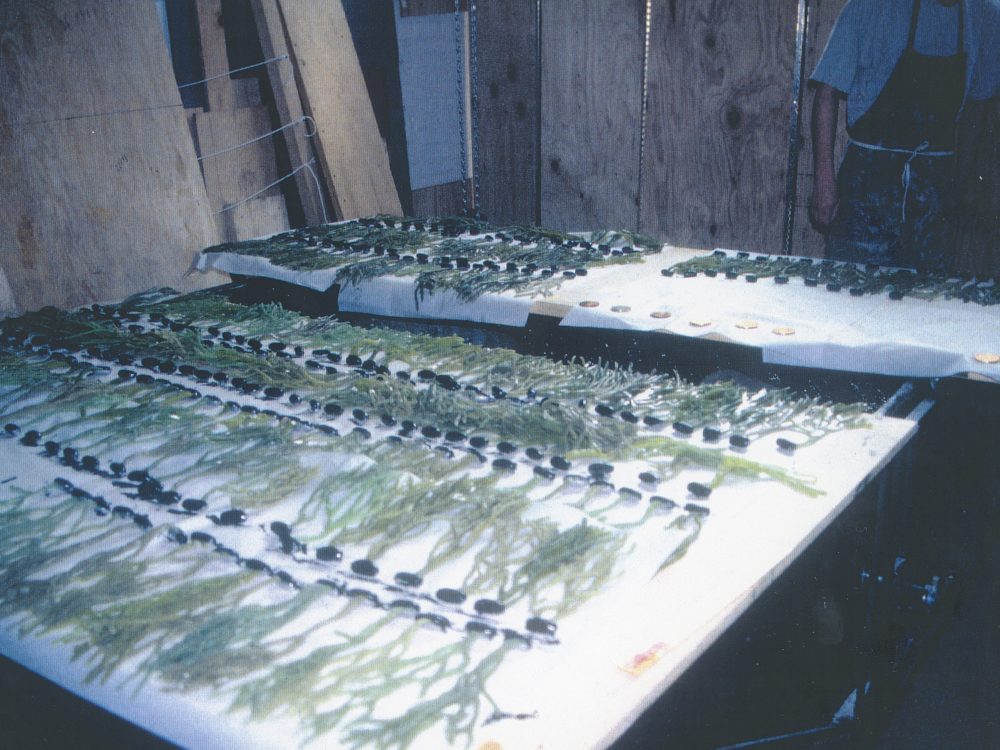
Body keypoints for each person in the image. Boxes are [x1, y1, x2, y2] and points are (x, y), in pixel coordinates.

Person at [809, 0, 1000, 273]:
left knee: (926, 303)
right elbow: (827, 92)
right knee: (848, 294)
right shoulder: (870, 7)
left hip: (934, 195)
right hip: (866, 190)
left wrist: (961, 187)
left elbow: (980, 109)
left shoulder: (985, 14)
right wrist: (824, 182)